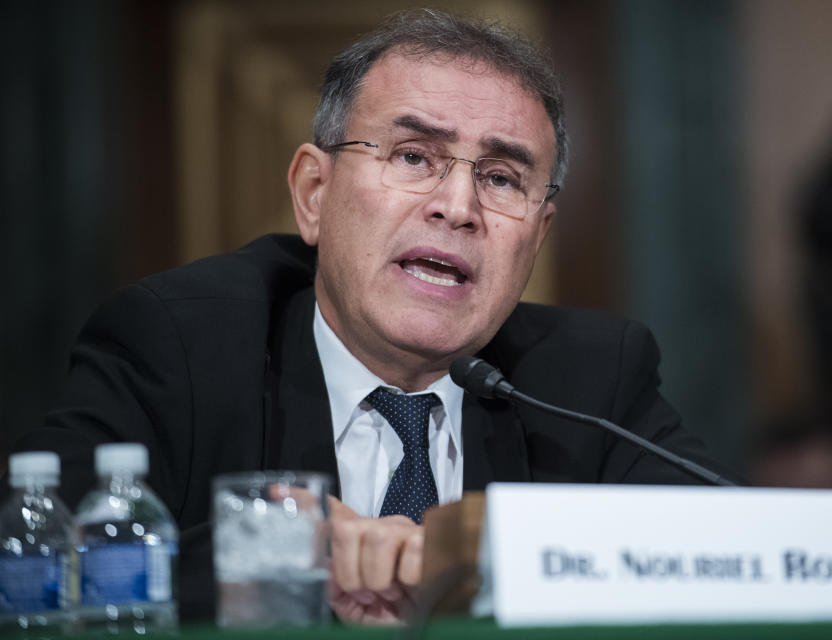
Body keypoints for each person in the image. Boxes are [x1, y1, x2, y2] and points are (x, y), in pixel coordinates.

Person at [10, 9, 721, 624]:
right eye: (414, 156)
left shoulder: (591, 378)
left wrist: (476, 553)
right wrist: (281, 552)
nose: (458, 207)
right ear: (314, 193)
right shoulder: (179, 344)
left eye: (502, 178)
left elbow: (722, 558)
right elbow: (39, 565)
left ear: (537, 235)